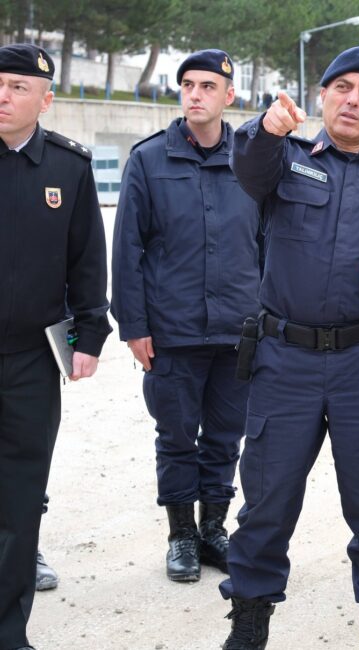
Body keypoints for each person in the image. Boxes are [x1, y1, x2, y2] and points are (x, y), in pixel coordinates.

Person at [216, 46, 359, 650]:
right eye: (342, 88)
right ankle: (249, 621)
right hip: (283, 358)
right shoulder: (282, 159)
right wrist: (266, 126)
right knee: (266, 499)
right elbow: (248, 167)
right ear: (321, 97)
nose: (353, 100)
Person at [110, 49, 262, 583]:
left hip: (239, 328)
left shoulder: (251, 158)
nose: (195, 94)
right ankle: (180, 536)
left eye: (207, 86)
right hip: (171, 329)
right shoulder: (150, 159)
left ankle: (213, 528)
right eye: (188, 85)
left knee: (225, 435)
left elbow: (268, 243)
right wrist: (134, 327)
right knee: (176, 435)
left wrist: (266, 320)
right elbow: (127, 248)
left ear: (229, 95)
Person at [0, 43, 111, 650]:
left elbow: (86, 258)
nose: (3, 96)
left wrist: (88, 334)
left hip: (29, 362)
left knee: (18, 503)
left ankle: (8, 633)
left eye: (18, 87)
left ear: (46, 99)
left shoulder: (68, 167)